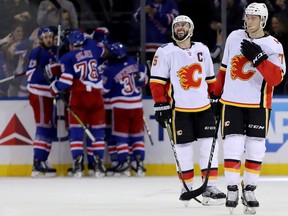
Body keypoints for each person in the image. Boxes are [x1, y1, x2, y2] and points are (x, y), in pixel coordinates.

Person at [213, 2, 286, 214]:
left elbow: (276, 79)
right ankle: (232, 188)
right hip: (232, 102)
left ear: (263, 20)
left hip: (259, 104)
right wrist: (216, 95)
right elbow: (224, 70)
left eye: (254, 17)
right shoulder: (234, 37)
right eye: (248, 17)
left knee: (256, 149)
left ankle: (250, 189)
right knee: (233, 146)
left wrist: (260, 58)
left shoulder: (274, 45)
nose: (249, 21)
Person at [149, 15, 226, 206]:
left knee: (209, 147)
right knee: (183, 149)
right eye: (177, 25)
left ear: (191, 29)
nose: (180, 28)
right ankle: (187, 187)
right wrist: (161, 104)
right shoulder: (165, 51)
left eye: (184, 25)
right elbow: (157, 82)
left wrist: (215, 97)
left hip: (204, 107)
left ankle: (210, 187)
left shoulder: (202, 49)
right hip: (179, 109)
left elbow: (210, 79)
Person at [50, 30, 107, 178]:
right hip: (96, 96)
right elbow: (100, 46)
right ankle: (98, 164)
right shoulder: (93, 49)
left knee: (76, 132)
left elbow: (66, 82)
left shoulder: (67, 57)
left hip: (79, 96)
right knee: (97, 132)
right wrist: (89, 36)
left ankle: (78, 164)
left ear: (70, 44)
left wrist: (55, 86)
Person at [102, 42, 147, 177]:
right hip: (137, 105)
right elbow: (142, 77)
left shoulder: (110, 70)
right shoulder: (133, 62)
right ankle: (139, 164)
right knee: (137, 137)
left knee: (121, 137)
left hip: (120, 106)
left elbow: (105, 90)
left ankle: (124, 164)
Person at [26, 27, 58, 177]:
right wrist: (46, 73)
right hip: (38, 93)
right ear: (40, 39)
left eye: (50, 36)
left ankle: (43, 159)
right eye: (45, 37)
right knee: (43, 125)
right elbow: (30, 73)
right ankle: (37, 162)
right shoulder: (37, 52)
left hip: (47, 94)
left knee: (49, 126)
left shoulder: (52, 53)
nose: (48, 39)